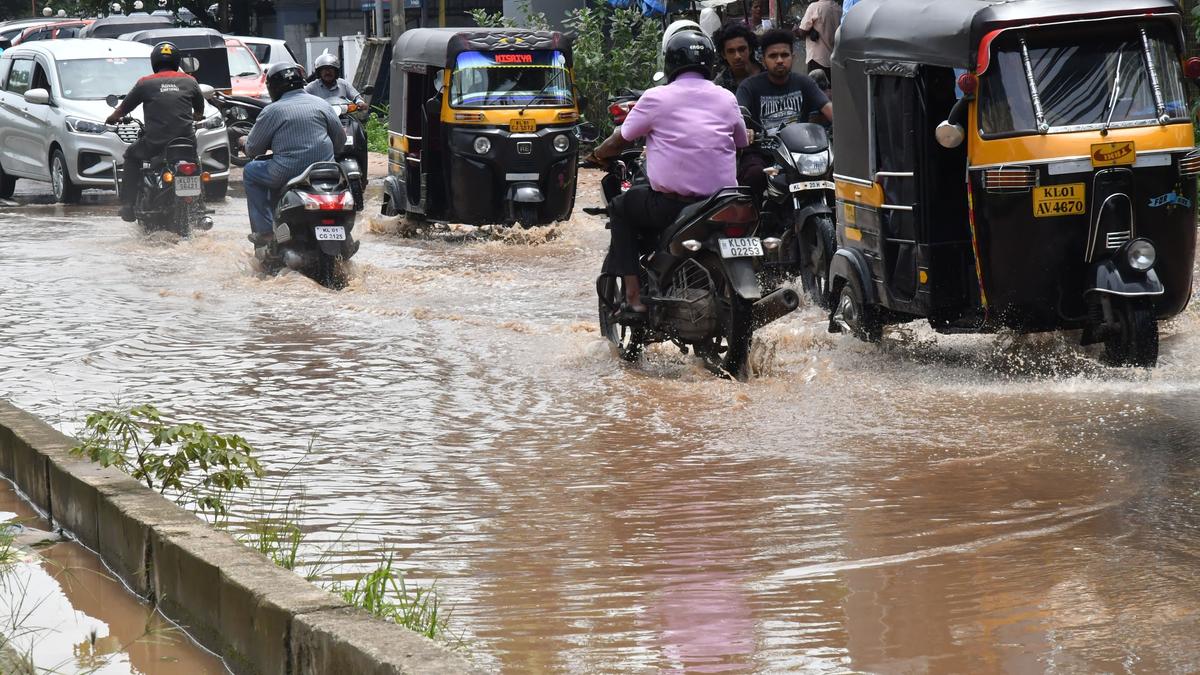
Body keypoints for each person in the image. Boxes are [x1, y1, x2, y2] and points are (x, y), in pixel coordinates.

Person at [586, 31, 748, 319]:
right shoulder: (727, 98)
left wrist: (598, 154)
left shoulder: (656, 97)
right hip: (723, 202)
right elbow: (740, 142)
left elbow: (620, 139)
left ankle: (634, 299)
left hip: (674, 205)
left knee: (621, 208)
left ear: (670, 63)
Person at [240, 63, 345, 244]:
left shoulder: (272, 111)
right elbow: (340, 141)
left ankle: (265, 232)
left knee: (250, 171)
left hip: (285, 172)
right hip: (325, 172)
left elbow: (254, 150)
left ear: (273, 87)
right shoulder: (322, 104)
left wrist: (243, 142)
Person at [105, 42, 204, 223]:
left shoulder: (145, 83)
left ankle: (127, 205)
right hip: (186, 142)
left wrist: (111, 119)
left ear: (154, 62)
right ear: (176, 61)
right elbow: (199, 111)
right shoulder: (190, 81)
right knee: (195, 163)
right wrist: (196, 117)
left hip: (156, 142)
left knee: (131, 156)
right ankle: (201, 205)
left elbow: (122, 110)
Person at [735, 29, 832, 197]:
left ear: (793, 57)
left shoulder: (804, 83)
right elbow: (738, 118)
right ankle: (757, 222)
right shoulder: (749, 87)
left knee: (833, 174)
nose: (779, 60)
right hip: (763, 153)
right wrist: (746, 130)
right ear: (763, 60)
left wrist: (848, 125)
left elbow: (828, 109)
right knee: (754, 175)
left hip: (800, 155)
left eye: (784, 55)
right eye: (773, 56)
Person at [794, 0, 840, 80]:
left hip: (817, 58)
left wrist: (795, 30)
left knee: (816, 89)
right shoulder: (838, 9)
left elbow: (802, 31)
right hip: (833, 59)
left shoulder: (815, 7)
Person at [712, 23, 763, 93]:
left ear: (750, 49)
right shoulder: (720, 85)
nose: (737, 56)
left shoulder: (769, 72)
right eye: (731, 51)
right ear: (724, 54)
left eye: (742, 49)